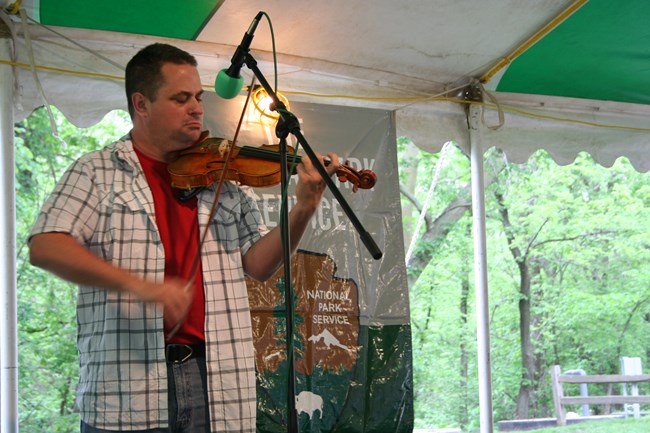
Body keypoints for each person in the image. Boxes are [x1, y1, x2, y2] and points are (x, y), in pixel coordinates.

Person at [28, 43, 339, 433]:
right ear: (141, 104)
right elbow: (45, 245)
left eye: (197, 97)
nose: (196, 108)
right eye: (180, 98)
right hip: (129, 384)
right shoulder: (97, 171)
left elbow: (260, 265)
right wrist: (140, 286)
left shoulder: (221, 178)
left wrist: (305, 206)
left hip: (218, 380)